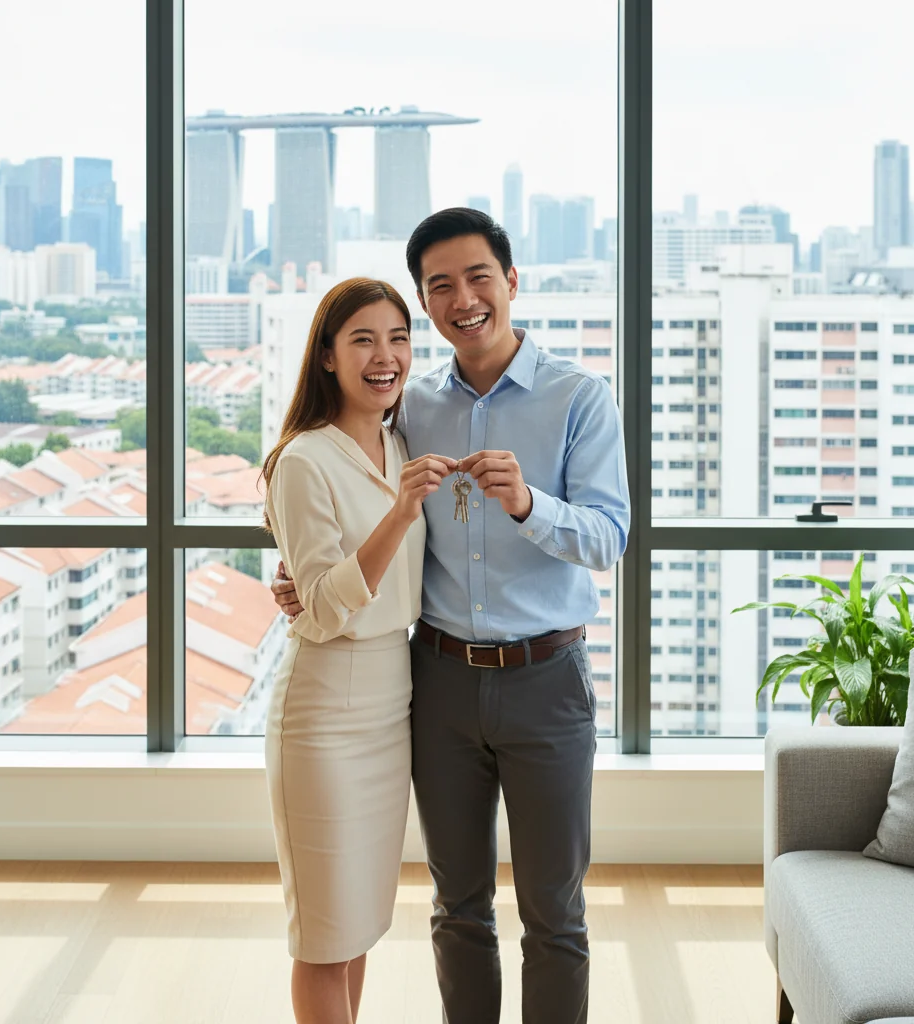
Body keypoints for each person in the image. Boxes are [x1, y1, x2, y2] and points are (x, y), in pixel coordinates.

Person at [271, 209, 630, 1024]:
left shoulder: (578, 397)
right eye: (441, 286)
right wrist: (295, 573)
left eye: (478, 278)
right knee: (457, 906)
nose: (463, 299)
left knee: (555, 912)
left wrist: (530, 503)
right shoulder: (411, 406)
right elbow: (342, 488)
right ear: (428, 303)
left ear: (511, 281)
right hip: (434, 682)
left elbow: (610, 538)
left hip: (547, 682)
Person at [260, 276, 457, 1024]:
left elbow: (351, 583)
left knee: (359, 924)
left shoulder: (398, 441)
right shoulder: (304, 459)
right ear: (327, 356)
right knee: (323, 937)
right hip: (325, 713)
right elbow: (322, 609)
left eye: (398, 339)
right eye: (364, 340)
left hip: (391, 702)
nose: (386, 357)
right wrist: (400, 511)